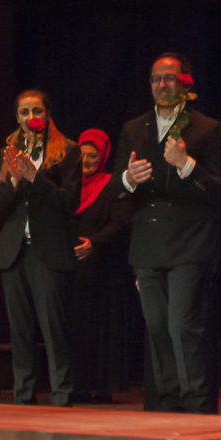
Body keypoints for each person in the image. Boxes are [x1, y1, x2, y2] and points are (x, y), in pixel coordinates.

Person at [110, 52, 221, 413]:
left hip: (190, 243)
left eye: (169, 78)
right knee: (158, 328)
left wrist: (187, 166)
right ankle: (169, 403)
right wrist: (129, 179)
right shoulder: (134, 129)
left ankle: (196, 404)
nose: (162, 84)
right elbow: (114, 188)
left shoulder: (207, 129)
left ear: (184, 83)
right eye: (156, 78)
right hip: (147, 244)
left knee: (181, 327)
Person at [0, 89, 81, 407]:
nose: (32, 118)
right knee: (19, 328)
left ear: (47, 114)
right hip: (14, 249)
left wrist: (35, 177)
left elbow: (69, 202)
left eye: (37, 111)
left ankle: (61, 392)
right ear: (17, 117)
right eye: (25, 112)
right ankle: (23, 393)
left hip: (49, 249)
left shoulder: (68, 150)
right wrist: (15, 182)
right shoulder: (8, 151)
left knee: (53, 326)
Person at [70, 129, 132, 403]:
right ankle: (77, 385)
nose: (86, 160)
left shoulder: (113, 185)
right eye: (81, 155)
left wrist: (93, 243)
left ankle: (101, 387)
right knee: (77, 329)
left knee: (102, 329)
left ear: (103, 156)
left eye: (92, 155)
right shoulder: (70, 184)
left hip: (104, 269)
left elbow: (120, 222)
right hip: (73, 269)